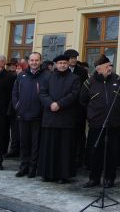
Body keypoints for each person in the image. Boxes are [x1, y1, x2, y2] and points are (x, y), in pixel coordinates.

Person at [81, 54, 120, 188]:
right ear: (99, 69)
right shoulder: (89, 82)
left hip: (114, 124)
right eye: (107, 66)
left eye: (110, 65)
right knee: (95, 152)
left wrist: (119, 111)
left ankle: (110, 178)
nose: (110, 68)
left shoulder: (118, 80)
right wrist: (92, 114)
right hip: (96, 124)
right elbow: (82, 101)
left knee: (112, 152)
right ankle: (94, 178)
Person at [38, 54, 80, 183]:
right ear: (56, 64)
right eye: (60, 63)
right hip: (50, 118)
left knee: (64, 149)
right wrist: (50, 103)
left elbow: (74, 94)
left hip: (66, 119)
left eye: (64, 63)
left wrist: (59, 104)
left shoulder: (75, 78)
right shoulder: (48, 77)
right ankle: (47, 174)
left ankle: (63, 175)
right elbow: (42, 92)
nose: (62, 65)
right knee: (48, 148)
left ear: (68, 64)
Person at [12, 52, 47, 178]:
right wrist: (17, 106)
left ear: (40, 61)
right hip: (23, 115)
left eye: (36, 60)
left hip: (38, 116)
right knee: (24, 143)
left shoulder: (46, 76)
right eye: (32, 60)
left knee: (36, 144)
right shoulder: (22, 76)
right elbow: (15, 93)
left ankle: (33, 168)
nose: (34, 62)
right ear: (28, 61)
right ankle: (24, 166)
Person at [65, 48, 89, 167]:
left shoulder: (82, 72)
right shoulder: (61, 70)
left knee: (79, 134)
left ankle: (79, 159)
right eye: (71, 58)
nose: (73, 60)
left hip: (79, 108)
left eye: (75, 58)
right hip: (65, 108)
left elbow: (84, 89)